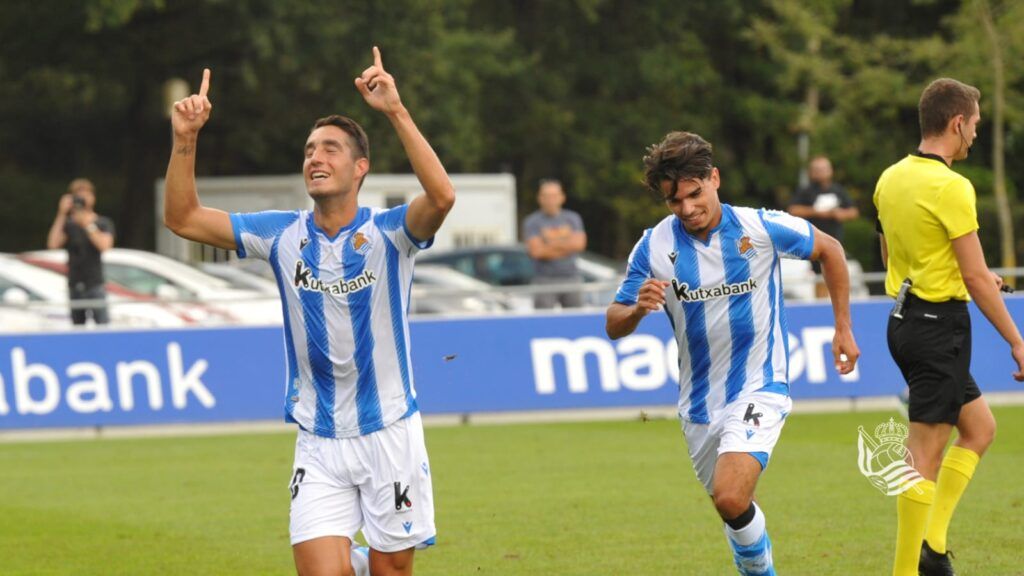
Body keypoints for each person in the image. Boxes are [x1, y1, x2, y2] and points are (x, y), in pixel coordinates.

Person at [163, 47, 455, 576]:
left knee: (394, 571)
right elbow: (182, 217)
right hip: (317, 438)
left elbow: (441, 196)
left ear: (360, 167)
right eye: (309, 151)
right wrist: (186, 141)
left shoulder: (389, 232)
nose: (315, 158)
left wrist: (395, 111)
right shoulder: (280, 234)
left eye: (331, 150)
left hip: (389, 429)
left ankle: (367, 563)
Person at [606, 131, 859, 575]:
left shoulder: (759, 227)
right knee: (734, 508)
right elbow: (613, 322)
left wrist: (842, 328)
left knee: (730, 496)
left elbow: (831, 250)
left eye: (694, 194)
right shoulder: (653, 246)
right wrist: (637, 312)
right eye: (674, 201)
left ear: (715, 178)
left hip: (761, 385)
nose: (687, 209)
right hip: (699, 403)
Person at [875, 78, 1024, 576]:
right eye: (975, 125)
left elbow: (892, 251)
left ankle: (932, 549)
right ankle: (907, 570)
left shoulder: (891, 178)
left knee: (980, 429)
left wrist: (937, 277)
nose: (976, 136)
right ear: (956, 123)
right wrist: (1017, 341)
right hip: (940, 326)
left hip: (905, 319)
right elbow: (977, 279)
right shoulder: (952, 186)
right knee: (923, 455)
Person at [787, 156, 859, 299]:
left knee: (837, 275)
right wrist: (817, 212)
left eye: (824, 169)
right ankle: (821, 305)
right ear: (810, 172)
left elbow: (853, 211)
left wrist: (840, 214)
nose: (821, 173)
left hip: (836, 241)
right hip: (814, 242)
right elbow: (793, 210)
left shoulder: (838, 190)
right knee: (820, 276)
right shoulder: (806, 191)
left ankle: (834, 304)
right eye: (817, 170)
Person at [46, 178, 115, 325]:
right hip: (74, 283)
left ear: (93, 198)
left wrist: (87, 224)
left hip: (95, 283)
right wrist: (62, 214)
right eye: (78, 196)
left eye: (85, 195)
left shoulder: (102, 222)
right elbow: (53, 244)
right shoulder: (69, 225)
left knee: (103, 325)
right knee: (77, 327)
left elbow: (105, 246)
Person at [523, 179, 587, 309]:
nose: (550, 200)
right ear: (540, 198)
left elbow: (579, 244)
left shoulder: (572, 218)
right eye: (546, 196)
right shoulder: (532, 222)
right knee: (543, 322)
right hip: (544, 280)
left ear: (562, 197)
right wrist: (566, 243)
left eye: (554, 196)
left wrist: (549, 243)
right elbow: (536, 251)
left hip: (571, 278)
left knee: (575, 320)